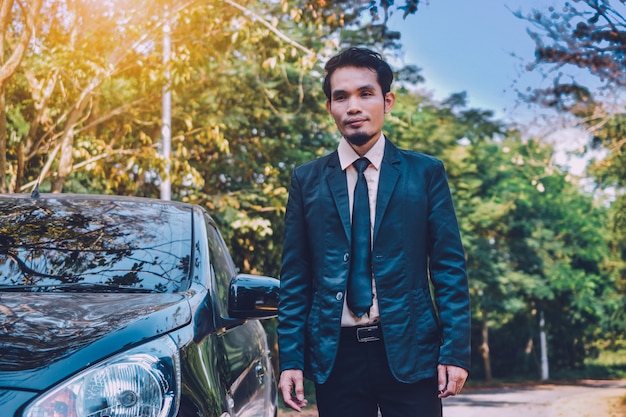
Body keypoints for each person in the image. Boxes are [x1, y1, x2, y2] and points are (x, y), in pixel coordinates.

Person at [277, 46, 471, 417]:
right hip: (336, 356)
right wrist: (291, 359)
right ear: (330, 107)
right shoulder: (307, 180)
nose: (353, 106)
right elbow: (296, 276)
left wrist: (455, 351)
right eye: (341, 96)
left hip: (411, 351)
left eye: (365, 93)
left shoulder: (425, 173)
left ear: (387, 100)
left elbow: (448, 269)